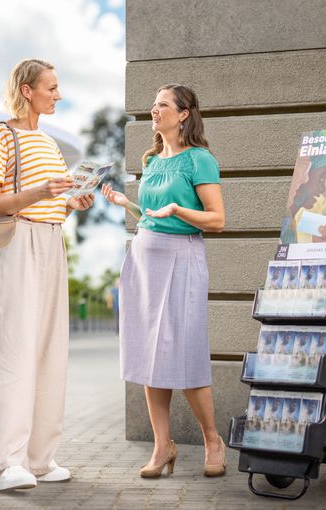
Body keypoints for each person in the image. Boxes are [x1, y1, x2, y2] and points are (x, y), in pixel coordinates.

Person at [101, 83, 227, 479]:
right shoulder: (152, 161)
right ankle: (162, 445)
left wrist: (180, 211)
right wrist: (127, 205)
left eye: (162, 106)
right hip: (144, 257)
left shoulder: (199, 160)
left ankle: (212, 439)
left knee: (185, 352)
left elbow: (218, 219)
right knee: (147, 356)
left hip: (182, 258)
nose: (154, 111)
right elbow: (154, 215)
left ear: (184, 114)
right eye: (153, 105)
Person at [0, 59, 92, 491]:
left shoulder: (50, 143)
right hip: (17, 242)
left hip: (50, 240)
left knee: (49, 351)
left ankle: (40, 459)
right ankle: (5, 463)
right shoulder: (1, 134)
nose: (58, 94)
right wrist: (42, 191)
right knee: (15, 352)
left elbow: (51, 202)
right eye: (51, 87)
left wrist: (70, 202)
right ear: (28, 90)